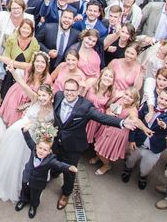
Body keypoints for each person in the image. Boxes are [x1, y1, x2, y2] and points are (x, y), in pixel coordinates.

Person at [52, 78, 135, 210]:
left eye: (72, 90)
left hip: (73, 145)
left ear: (78, 91)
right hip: (56, 140)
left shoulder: (85, 106)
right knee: (54, 160)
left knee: (69, 170)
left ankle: (66, 194)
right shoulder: (58, 96)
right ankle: (54, 173)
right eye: (67, 90)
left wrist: (122, 123)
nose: (69, 93)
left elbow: (102, 118)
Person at [16, 123, 78, 219]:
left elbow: (59, 165)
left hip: (38, 182)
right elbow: (28, 140)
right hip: (27, 176)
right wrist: (25, 131)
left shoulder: (50, 160)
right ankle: (23, 200)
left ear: (49, 152)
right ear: (36, 147)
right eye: (40, 148)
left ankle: (33, 206)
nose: (41, 151)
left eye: (45, 150)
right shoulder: (34, 149)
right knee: (24, 190)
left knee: (35, 195)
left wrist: (69, 167)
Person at [123, 89, 167, 189]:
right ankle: (127, 170)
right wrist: (132, 139)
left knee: (146, 168)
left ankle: (142, 177)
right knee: (130, 160)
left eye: (166, 100)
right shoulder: (147, 106)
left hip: (154, 148)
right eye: (161, 98)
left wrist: (165, 125)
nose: (162, 102)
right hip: (138, 142)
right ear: (158, 97)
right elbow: (136, 121)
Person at [93, 87, 141, 175]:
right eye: (126, 94)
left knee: (103, 151)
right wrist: (109, 112)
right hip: (109, 128)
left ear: (134, 101)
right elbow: (109, 109)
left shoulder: (133, 111)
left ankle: (106, 165)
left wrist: (144, 128)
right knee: (99, 148)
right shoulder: (120, 101)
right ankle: (99, 157)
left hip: (117, 134)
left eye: (130, 97)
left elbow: (135, 120)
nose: (126, 98)